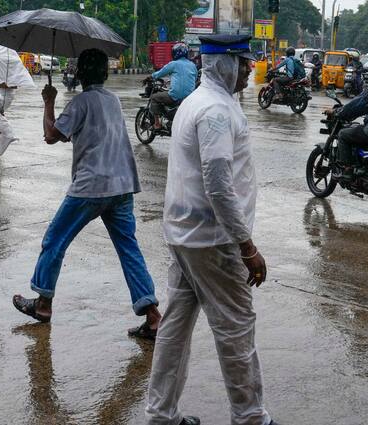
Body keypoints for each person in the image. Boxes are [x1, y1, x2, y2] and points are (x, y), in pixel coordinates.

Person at [145, 34, 278, 425]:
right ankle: (251, 417)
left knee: (175, 327)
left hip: (185, 236)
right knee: (236, 328)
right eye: (242, 61)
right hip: (213, 242)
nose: (250, 68)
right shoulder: (216, 112)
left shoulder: (198, 102)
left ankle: (161, 414)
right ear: (223, 64)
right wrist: (247, 247)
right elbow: (218, 184)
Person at [12, 48, 162, 340]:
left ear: (79, 73)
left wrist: (49, 102)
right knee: (128, 249)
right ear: (105, 74)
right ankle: (153, 316)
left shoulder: (81, 102)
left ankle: (42, 304)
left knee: (54, 240)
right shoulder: (113, 100)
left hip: (92, 186)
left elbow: (51, 136)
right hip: (122, 185)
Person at [149, 42, 197, 129]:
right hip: (190, 98)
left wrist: (151, 77)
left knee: (154, 97)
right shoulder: (193, 65)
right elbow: (194, 78)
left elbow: (160, 73)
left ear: (174, 53)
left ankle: (157, 124)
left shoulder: (173, 64)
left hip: (175, 96)